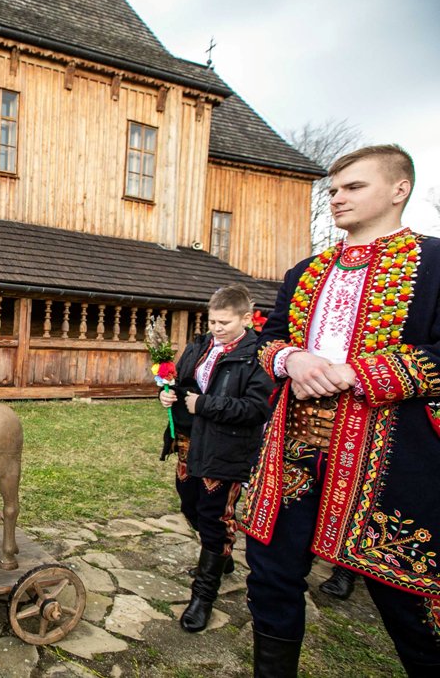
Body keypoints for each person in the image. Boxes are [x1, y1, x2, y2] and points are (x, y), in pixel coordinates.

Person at [241, 145, 440, 676]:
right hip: (294, 451)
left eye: (354, 187)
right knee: (271, 575)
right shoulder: (304, 272)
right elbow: (269, 338)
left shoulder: (435, 263)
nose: (337, 198)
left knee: (408, 592)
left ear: (399, 189)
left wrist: (361, 373)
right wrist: (292, 359)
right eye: (333, 190)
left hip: (390, 456)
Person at [158, 285, 273, 632]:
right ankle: (221, 556)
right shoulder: (199, 345)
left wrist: (205, 404)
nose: (217, 328)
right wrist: (167, 394)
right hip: (189, 440)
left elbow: (257, 408)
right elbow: (181, 383)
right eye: (212, 321)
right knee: (189, 505)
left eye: (225, 322)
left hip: (227, 448)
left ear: (246, 318)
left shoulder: (259, 355)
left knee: (213, 518)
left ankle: (203, 596)